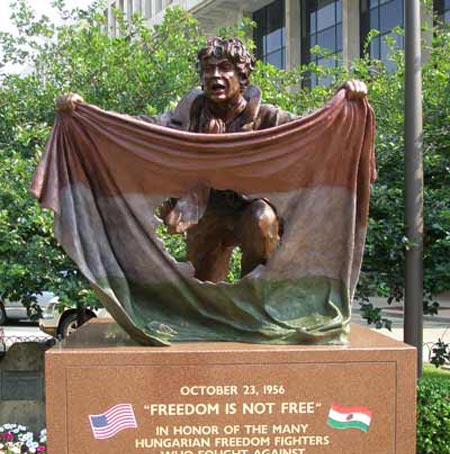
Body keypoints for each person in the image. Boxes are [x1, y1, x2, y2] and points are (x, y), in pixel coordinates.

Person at [57, 37, 367, 283]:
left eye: (224, 68)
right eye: (208, 70)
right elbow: (141, 125)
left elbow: (313, 130)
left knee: (262, 221)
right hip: (204, 211)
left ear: (242, 75)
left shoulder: (268, 117)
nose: (214, 76)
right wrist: (88, 114)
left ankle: (257, 306)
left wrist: (344, 102)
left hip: (250, 208)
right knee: (204, 294)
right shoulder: (186, 116)